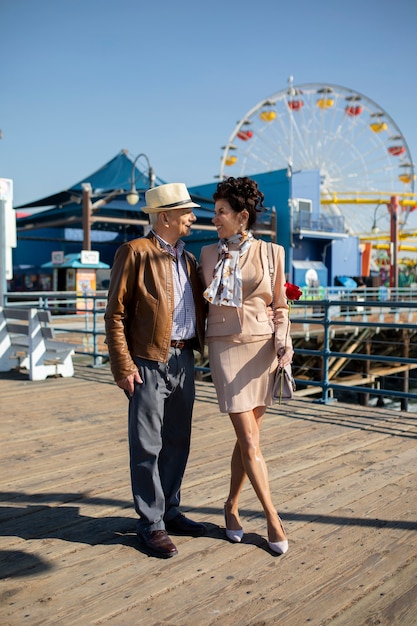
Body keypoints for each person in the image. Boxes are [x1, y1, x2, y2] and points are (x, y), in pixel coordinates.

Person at [104, 182, 207, 559]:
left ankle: (170, 510)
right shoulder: (133, 252)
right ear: (164, 217)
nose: (193, 218)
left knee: (179, 440)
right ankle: (150, 524)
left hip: (184, 359)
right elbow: (114, 313)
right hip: (147, 361)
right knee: (147, 445)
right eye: (186, 213)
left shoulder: (190, 259)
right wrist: (122, 364)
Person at [199, 176, 293, 555]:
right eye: (214, 212)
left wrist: (284, 341)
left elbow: (280, 307)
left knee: (247, 438)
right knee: (250, 438)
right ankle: (273, 518)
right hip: (224, 348)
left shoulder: (273, 253)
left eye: (221, 212)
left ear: (242, 216)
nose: (214, 219)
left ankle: (231, 506)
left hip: (262, 351)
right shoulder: (206, 255)